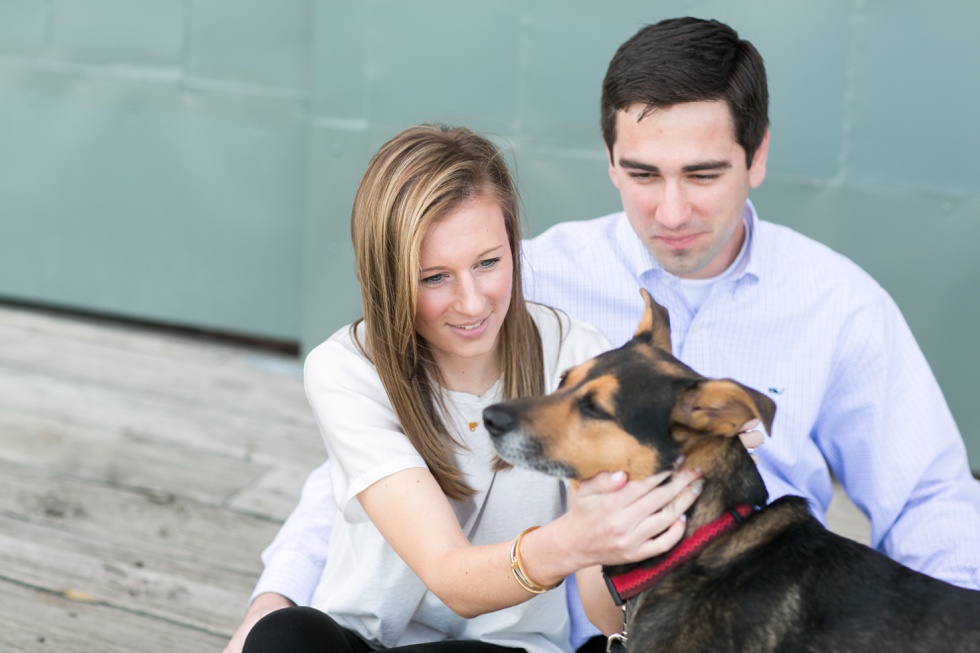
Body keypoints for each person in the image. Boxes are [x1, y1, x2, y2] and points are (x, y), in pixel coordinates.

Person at [226, 15, 980, 651]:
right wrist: (274, 599)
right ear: (611, 164)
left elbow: (929, 500)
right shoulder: (516, 283)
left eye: (704, 174)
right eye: (645, 174)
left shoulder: (840, 306)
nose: (674, 211)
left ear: (757, 157)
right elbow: (363, 464)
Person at [238, 124, 713, 653]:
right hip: (364, 643)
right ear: (388, 278)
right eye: (434, 277)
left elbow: (605, 618)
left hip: (511, 649)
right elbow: (448, 573)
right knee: (283, 637)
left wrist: (614, 534)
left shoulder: (575, 357)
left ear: (514, 246)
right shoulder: (347, 368)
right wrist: (573, 539)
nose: (471, 303)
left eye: (488, 263)